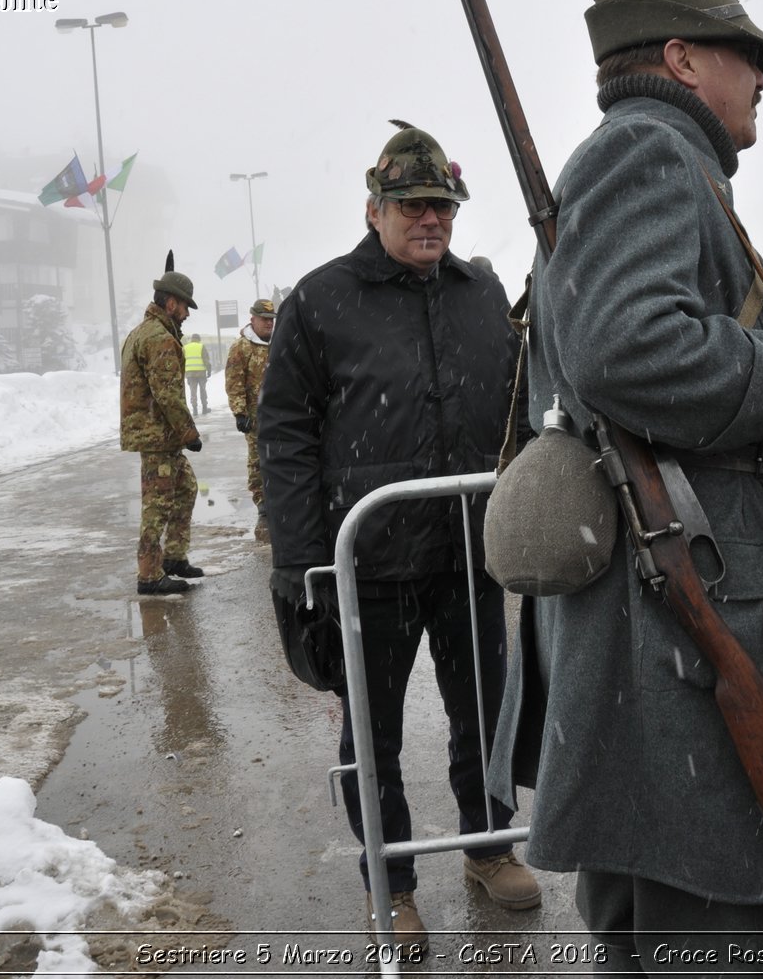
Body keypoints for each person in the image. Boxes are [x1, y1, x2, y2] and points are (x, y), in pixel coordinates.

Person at [486, 0, 763, 972]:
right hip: (682, 624)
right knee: (713, 926)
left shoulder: (660, 159)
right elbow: (627, 349)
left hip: (676, 611)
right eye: (745, 53)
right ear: (685, 59)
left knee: (663, 925)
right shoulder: (646, 153)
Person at [256, 122, 536, 946]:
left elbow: (517, 410)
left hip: (467, 553)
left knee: (486, 713)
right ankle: (393, 879)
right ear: (374, 209)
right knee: (370, 734)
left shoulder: (481, 294)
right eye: (413, 205)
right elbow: (286, 434)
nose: (431, 219)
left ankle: (489, 846)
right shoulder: (321, 299)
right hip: (369, 562)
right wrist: (304, 565)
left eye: (442, 205)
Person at [119, 256, 205, 596]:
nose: (186, 314)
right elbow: (167, 394)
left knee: (186, 489)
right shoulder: (159, 338)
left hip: (157, 434)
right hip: (157, 436)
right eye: (185, 307)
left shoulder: (146, 331)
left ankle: (173, 558)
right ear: (171, 303)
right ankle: (149, 575)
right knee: (157, 506)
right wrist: (189, 433)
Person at [224, 298, 275, 542]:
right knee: (257, 461)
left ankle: (280, 501)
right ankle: (262, 507)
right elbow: (234, 382)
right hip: (255, 418)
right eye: (264, 319)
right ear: (252, 318)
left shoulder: (278, 343)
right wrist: (240, 412)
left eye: (271, 320)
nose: (268, 324)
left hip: (279, 415)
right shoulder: (241, 347)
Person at [182, 333, 210, 417]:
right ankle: (204, 408)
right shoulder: (201, 346)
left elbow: (181, 361)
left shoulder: (185, 347)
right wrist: (209, 369)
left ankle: (195, 409)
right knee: (202, 390)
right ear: (199, 339)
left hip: (190, 373)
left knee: (193, 391)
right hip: (201, 372)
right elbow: (206, 359)